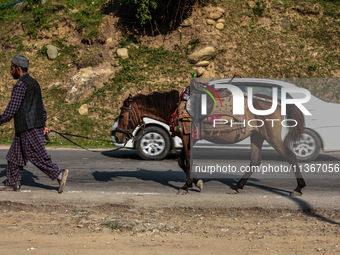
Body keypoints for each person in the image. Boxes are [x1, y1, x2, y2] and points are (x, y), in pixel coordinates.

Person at [0, 54, 68, 193]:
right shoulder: (34, 83)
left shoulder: (20, 85)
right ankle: (12, 184)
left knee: (36, 155)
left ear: (18, 68)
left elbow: (12, 108)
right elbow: (41, 107)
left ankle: (59, 174)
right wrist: (43, 125)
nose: (10, 71)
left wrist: (1, 120)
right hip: (28, 126)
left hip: (28, 127)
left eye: (12, 68)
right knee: (14, 157)